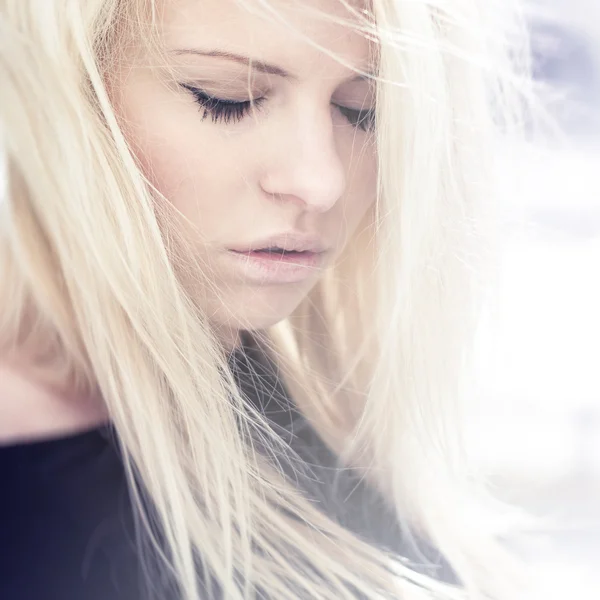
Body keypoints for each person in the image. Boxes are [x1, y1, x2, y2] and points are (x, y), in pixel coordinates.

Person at [0, 0, 536, 599]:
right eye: (226, 98)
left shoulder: (265, 378)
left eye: (363, 110)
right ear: (52, 93)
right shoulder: (35, 504)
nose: (320, 181)